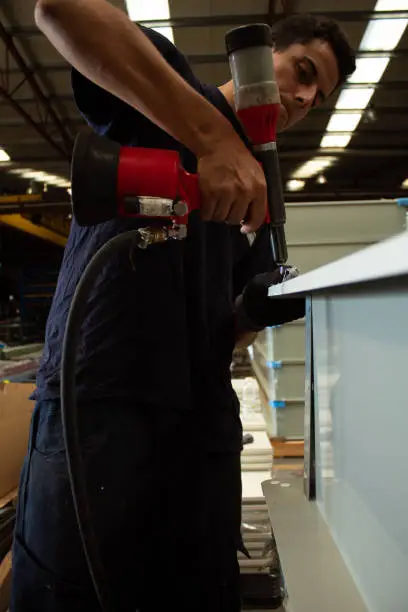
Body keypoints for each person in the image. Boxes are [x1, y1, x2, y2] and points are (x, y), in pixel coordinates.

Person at [11, 3, 355, 611]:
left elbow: (231, 330)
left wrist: (252, 311)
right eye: (302, 70)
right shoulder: (165, 94)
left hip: (197, 426)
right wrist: (214, 139)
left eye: (318, 95)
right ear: (257, 55)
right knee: (73, 592)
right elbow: (62, 9)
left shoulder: (260, 196)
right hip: (99, 403)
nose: (304, 97)